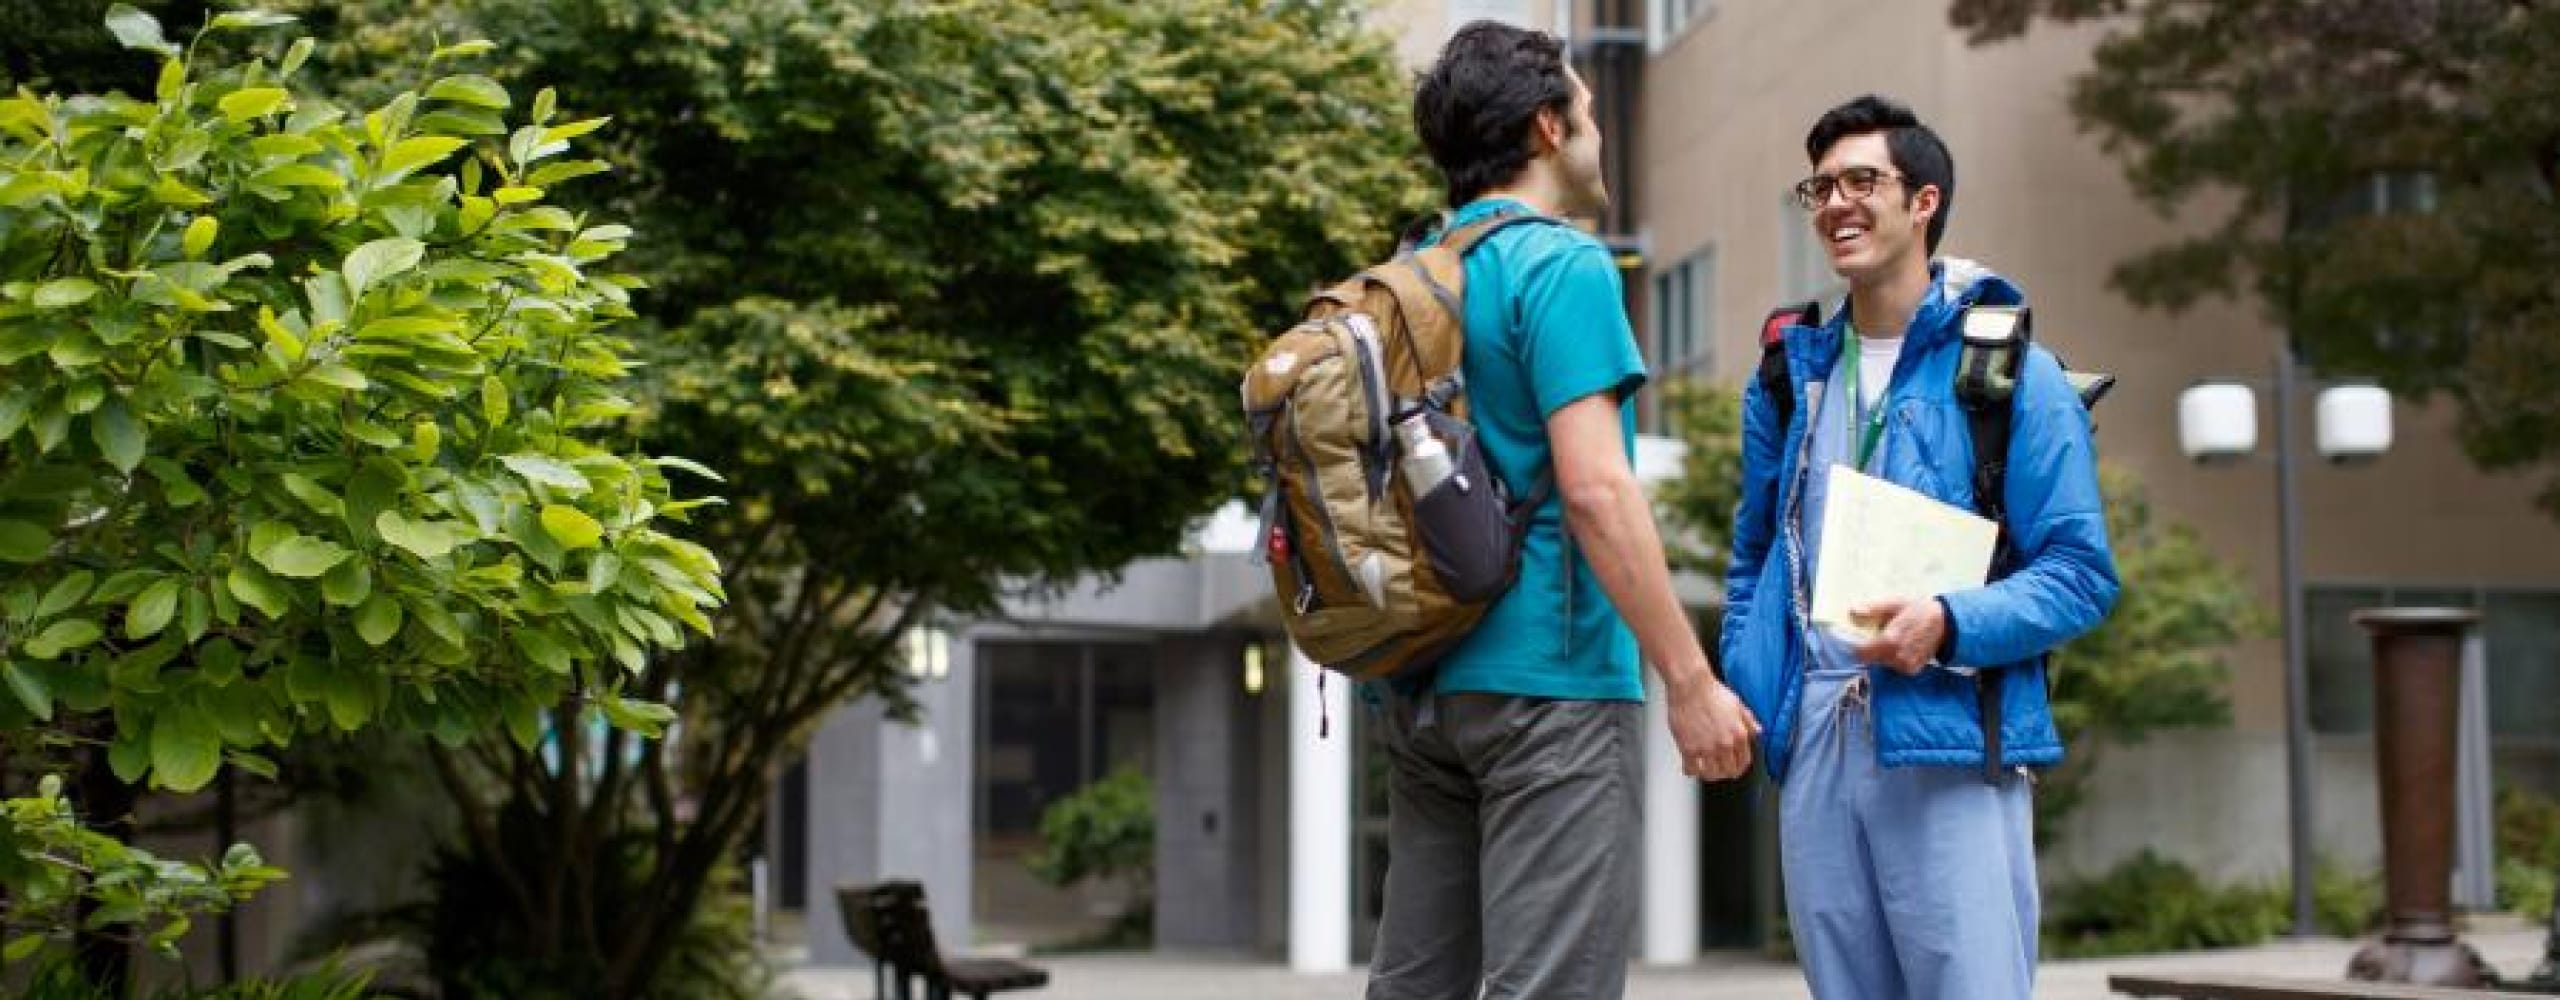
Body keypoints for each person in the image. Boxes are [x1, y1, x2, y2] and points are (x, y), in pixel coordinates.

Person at [1364, 21, 1761, 1000]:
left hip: (1421, 682)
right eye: (1586, 111)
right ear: (1548, 127)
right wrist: (1688, 677)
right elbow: (1594, 489)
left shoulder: (1410, 271)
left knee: (1418, 985)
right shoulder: (1562, 264)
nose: (1595, 131)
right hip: (1554, 681)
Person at [1719, 94, 2121, 1000]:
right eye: (1819, 187)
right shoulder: (1792, 377)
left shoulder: (2014, 374)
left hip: (1948, 730)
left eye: (1863, 180)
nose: (1835, 204)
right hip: (1819, 730)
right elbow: (1754, 553)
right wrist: (1750, 682)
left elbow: (2081, 573)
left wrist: (1950, 621)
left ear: (1925, 201)